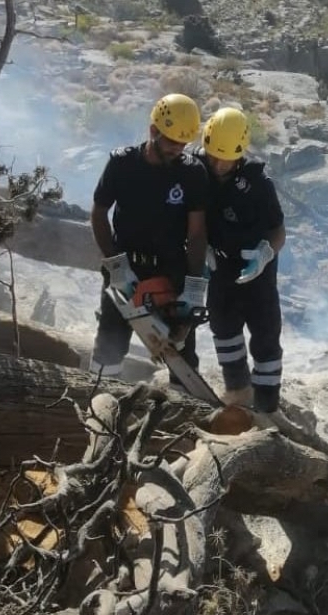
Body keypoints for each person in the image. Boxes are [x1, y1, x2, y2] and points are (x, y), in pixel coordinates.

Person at [89, 93, 209, 380]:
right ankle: (97, 395)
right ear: (153, 130)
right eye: (172, 141)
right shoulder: (122, 164)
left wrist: (194, 287)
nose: (177, 148)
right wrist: (114, 263)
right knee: (109, 344)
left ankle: (182, 399)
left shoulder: (192, 173)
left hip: (170, 270)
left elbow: (196, 234)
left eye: (183, 143)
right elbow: (98, 213)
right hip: (126, 266)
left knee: (180, 350)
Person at [195, 106, 286, 413]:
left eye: (226, 159)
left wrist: (265, 254)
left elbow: (278, 231)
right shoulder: (195, 170)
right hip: (218, 267)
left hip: (257, 272)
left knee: (266, 338)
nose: (218, 164)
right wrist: (198, 250)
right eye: (213, 156)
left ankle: (267, 407)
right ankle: (237, 394)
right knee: (224, 331)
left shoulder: (259, 185)